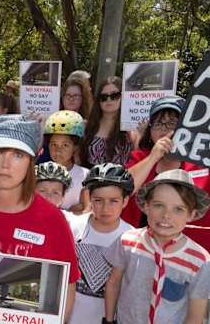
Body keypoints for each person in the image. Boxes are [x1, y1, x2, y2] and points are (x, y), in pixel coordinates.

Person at [0, 115, 80, 321]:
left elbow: (67, 287)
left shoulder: (52, 219)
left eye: (18, 155)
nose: (6, 164)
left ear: (31, 161)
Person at [104, 169, 210, 324]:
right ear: (147, 207)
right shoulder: (128, 241)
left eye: (178, 209)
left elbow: (195, 316)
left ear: (191, 215)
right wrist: (108, 320)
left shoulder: (200, 261)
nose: (166, 215)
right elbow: (113, 283)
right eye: (159, 205)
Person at [123, 95, 210, 251]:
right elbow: (124, 189)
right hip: (142, 246)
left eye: (171, 123)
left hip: (190, 251)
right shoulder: (140, 157)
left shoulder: (201, 164)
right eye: (157, 124)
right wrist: (153, 157)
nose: (164, 129)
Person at [67, 163, 134, 324]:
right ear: (89, 198)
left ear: (125, 201)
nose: (105, 208)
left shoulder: (131, 237)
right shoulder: (73, 226)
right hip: (69, 316)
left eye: (113, 201)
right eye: (98, 200)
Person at [78, 76, 138, 167]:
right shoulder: (86, 126)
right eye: (103, 97)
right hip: (90, 179)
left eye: (115, 95)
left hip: (120, 179)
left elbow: (137, 160)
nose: (108, 100)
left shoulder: (132, 128)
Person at [43, 110, 90, 214]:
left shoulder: (84, 175)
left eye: (65, 145)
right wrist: (68, 212)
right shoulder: (38, 173)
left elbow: (85, 210)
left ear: (75, 147)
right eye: (53, 145)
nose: (58, 151)